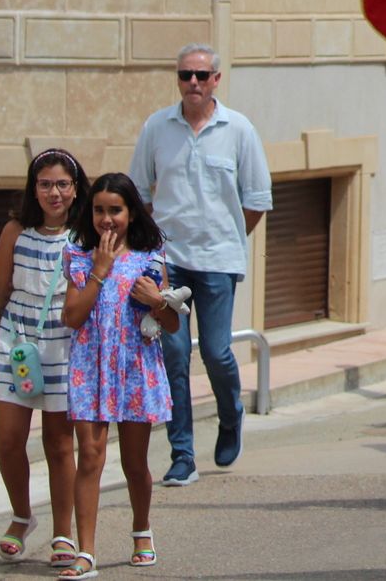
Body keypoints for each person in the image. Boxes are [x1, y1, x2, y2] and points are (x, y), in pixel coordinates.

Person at [128, 44, 272, 487]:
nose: (193, 83)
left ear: (216, 80)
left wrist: (226, 238)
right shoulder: (157, 126)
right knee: (172, 355)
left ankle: (231, 417)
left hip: (217, 262)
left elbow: (257, 199)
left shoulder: (239, 129)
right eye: (185, 75)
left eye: (201, 75)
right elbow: (137, 193)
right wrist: (154, 248)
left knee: (215, 351)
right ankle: (182, 455)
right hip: (169, 263)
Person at [58, 173, 180, 579]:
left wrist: (157, 301)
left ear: (131, 212)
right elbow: (72, 316)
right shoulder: (77, 255)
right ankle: (86, 551)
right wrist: (100, 269)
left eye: (115, 210)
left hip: (133, 367)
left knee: (134, 461)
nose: (106, 219)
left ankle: (142, 530)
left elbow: (171, 325)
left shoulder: (150, 255)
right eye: (99, 210)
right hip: (90, 368)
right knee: (89, 457)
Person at [0, 148, 88, 569]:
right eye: (45, 184)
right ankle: (22, 515)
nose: (54, 192)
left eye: (62, 184)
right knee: (8, 439)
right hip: (17, 341)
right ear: (33, 188)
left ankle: (64, 533)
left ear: (75, 189)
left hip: (64, 341)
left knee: (59, 443)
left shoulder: (85, 233)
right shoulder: (15, 229)